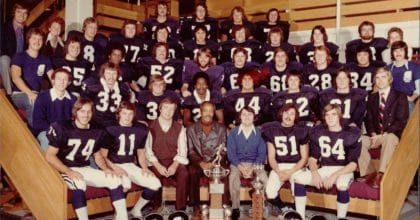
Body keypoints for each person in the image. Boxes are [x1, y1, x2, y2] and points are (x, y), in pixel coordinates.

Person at [45, 97, 128, 220]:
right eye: (82, 111)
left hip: (85, 167)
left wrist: (106, 168)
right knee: (79, 183)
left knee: (115, 180)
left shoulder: (96, 129)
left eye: (89, 111)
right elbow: (49, 155)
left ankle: (123, 218)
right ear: (76, 112)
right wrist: (68, 171)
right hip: (65, 168)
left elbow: (97, 154)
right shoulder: (63, 127)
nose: (86, 115)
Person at [294, 104, 362, 219]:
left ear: (339, 116)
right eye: (327, 115)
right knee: (298, 178)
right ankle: (300, 216)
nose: (330, 118)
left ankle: (341, 218)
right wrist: (315, 173)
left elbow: (353, 165)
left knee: (342, 185)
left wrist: (334, 176)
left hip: (344, 170)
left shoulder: (351, 133)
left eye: (334, 114)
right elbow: (312, 159)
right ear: (324, 117)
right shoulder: (318, 132)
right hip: (325, 168)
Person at [101, 101, 161, 218]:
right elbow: (103, 155)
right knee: (126, 184)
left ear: (134, 115)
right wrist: (114, 168)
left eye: (130, 114)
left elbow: (140, 152)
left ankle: (136, 209)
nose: (127, 117)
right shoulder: (110, 129)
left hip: (129, 164)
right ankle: (119, 213)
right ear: (119, 114)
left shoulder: (140, 129)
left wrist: (144, 168)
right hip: (113, 163)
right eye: (124, 114)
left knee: (155, 184)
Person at [357, 67, 409, 188]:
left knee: (389, 138)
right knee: (359, 140)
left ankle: (381, 174)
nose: (380, 80)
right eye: (377, 78)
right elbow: (368, 119)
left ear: (389, 79)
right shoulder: (372, 97)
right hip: (376, 135)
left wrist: (383, 135)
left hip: (391, 134)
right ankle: (368, 172)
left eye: (383, 77)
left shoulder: (400, 96)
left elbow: (401, 121)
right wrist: (373, 134)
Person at [262, 103, 310, 216]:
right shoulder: (272, 130)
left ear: (296, 116)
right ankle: (285, 208)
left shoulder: (301, 130)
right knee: (270, 192)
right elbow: (271, 157)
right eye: (286, 113)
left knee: (297, 188)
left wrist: (290, 172)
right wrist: (279, 171)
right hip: (279, 166)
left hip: (297, 166)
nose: (288, 116)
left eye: (292, 114)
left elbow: (304, 158)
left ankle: (300, 215)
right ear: (281, 114)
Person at [145, 98, 189, 211]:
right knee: (155, 174)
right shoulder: (151, 126)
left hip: (174, 160)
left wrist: (174, 166)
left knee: (183, 172)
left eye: (172, 109)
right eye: (165, 108)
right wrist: (158, 166)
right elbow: (148, 150)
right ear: (160, 109)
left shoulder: (180, 128)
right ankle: (156, 207)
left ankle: (180, 209)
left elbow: (183, 151)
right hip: (156, 161)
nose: (168, 112)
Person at [187, 101, 229, 217]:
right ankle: (195, 206)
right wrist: (201, 163)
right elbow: (190, 151)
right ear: (201, 111)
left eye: (211, 111)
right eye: (205, 110)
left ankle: (223, 205)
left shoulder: (221, 128)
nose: (208, 113)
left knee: (224, 172)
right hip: (198, 162)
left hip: (216, 161)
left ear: (214, 112)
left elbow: (224, 150)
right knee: (192, 171)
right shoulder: (191, 128)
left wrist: (213, 162)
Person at [227, 106, 267, 220]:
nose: (247, 117)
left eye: (250, 115)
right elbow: (231, 153)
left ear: (254, 117)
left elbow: (261, 153)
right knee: (233, 177)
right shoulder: (233, 132)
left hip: (255, 163)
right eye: (244, 114)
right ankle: (235, 208)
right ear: (240, 117)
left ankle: (260, 206)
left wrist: (252, 168)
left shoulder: (259, 132)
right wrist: (240, 167)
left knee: (264, 178)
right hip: (237, 163)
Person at [10, 28, 54, 127]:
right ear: (28, 40)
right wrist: (29, 93)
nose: (37, 41)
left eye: (40, 39)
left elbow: (53, 78)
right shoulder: (19, 56)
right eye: (34, 38)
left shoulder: (45, 59)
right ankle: (35, 134)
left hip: (37, 94)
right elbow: (15, 78)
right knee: (33, 102)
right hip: (19, 94)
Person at [33, 68, 76, 150]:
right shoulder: (43, 97)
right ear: (53, 80)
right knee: (47, 142)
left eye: (65, 79)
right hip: (46, 131)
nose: (61, 82)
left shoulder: (73, 99)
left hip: (66, 133)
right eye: (59, 79)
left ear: (69, 83)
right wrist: (56, 131)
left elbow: (74, 120)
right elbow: (38, 123)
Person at [81, 62, 131, 128]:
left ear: (118, 75)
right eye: (108, 73)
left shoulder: (123, 89)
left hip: (114, 123)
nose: (111, 77)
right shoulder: (93, 87)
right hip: (95, 123)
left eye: (114, 74)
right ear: (103, 74)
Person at [0, 3, 28, 95]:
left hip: (23, 61)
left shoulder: (28, 30)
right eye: (19, 12)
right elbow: (1, 48)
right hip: (9, 59)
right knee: (3, 60)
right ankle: (9, 93)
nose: (22, 15)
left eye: (25, 13)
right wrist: (13, 63)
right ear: (13, 13)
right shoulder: (4, 28)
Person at [387, 41, 419, 111]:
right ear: (392, 53)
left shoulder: (415, 67)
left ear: (405, 52)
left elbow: (418, 87)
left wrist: (412, 98)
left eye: (401, 50)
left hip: (409, 100)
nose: (398, 53)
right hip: (392, 101)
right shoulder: (387, 68)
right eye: (395, 51)